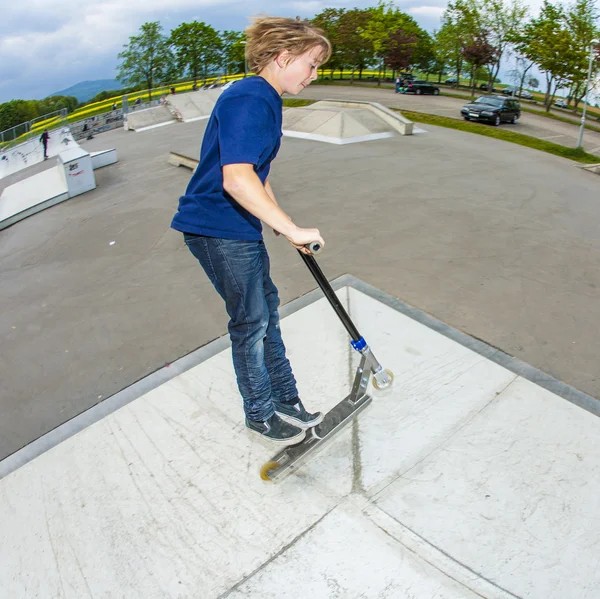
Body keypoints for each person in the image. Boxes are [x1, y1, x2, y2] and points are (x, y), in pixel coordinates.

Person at [171, 16, 331, 446]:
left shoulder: (263, 97)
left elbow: (256, 174)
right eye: (312, 64)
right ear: (284, 57)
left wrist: (281, 222)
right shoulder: (250, 98)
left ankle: (285, 399)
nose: (316, 75)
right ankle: (259, 414)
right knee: (251, 322)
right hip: (216, 227)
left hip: (236, 226)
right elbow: (236, 178)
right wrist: (290, 228)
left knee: (267, 315)